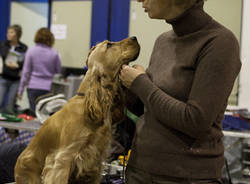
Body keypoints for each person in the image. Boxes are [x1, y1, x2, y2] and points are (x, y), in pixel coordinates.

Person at [119, 0, 241, 183]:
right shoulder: (163, 41)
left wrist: (140, 83)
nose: (139, 0)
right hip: (139, 171)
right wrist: (117, 82)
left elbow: (196, 120)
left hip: (186, 177)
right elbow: (150, 108)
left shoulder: (219, 42)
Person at [18, 27, 61, 114]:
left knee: (33, 114)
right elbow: (58, 71)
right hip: (47, 88)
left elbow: (26, 72)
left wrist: (20, 90)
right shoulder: (54, 53)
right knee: (44, 115)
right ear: (51, 38)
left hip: (32, 87)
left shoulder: (31, 51)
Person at [0, 24, 28, 114]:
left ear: (17, 34)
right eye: (8, 32)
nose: (8, 34)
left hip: (16, 80)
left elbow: (25, 63)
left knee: (10, 105)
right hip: (3, 77)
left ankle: (7, 127)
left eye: (11, 32)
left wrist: (18, 65)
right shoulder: (2, 45)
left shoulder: (24, 48)